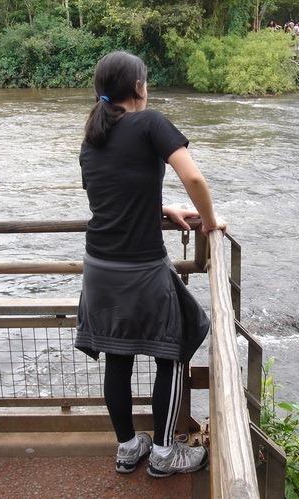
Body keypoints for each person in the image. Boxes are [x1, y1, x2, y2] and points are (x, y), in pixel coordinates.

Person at [75, 51, 224, 478]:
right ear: (140, 87)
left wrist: (162, 208)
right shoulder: (152, 122)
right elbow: (194, 178)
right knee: (174, 349)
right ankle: (164, 453)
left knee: (118, 355)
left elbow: (112, 192)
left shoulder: (92, 136)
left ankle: (127, 447)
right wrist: (209, 224)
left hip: (99, 266)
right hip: (140, 267)